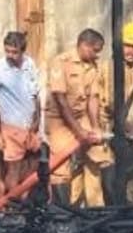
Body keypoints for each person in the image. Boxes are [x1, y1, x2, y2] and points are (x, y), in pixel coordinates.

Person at [47, 29, 109, 207]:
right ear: (84, 45)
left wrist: (95, 127)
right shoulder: (61, 62)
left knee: (96, 155)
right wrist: (78, 130)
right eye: (95, 50)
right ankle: (63, 212)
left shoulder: (93, 66)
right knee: (60, 167)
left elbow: (92, 98)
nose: (97, 55)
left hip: (82, 116)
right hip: (59, 119)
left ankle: (96, 209)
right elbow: (60, 100)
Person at [0, 32, 41, 195]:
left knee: (32, 167)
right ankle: (12, 205)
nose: (10, 55)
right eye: (7, 51)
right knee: (13, 170)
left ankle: (25, 202)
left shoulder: (29, 64)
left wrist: (37, 119)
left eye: (14, 52)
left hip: (30, 127)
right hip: (11, 127)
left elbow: (35, 94)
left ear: (22, 51)